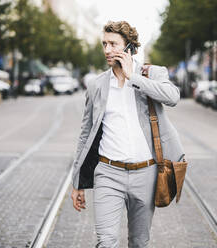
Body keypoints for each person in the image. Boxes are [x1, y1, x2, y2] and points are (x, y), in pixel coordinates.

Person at [71, 20, 185, 248]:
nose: (107, 50)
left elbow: (172, 97)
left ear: (129, 46)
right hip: (107, 172)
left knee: (139, 242)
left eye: (113, 44)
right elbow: (85, 135)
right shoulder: (97, 85)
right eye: (104, 44)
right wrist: (77, 182)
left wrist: (134, 77)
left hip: (146, 173)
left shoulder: (152, 73)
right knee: (106, 241)